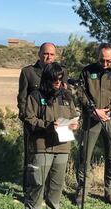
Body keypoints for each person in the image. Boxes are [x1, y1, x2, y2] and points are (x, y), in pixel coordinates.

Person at [24, 62, 78, 209]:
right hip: (41, 147)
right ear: (48, 78)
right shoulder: (35, 96)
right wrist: (47, 126)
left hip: (62, 147)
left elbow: (72, 116)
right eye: (55, 78)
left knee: (56, 186)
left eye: (61, 78)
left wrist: (75, 124)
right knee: (37, 185)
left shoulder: (67, 96)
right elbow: (29, 119)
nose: (58, 82)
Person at [75, 43, 111, 206]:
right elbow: (80, 92)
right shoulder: (87, 71)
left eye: (108, 61)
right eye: (101, 60)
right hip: (91, 119)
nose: (105, 63)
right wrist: (93, 110)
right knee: (85, 155)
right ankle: (82, 191)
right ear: (97, 56)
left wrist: (109, 112)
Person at [17, 42, 67, 193]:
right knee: (31, 157)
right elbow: (22, 98)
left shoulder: (62, 71)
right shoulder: (28, 72)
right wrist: (26, 119)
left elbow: (64, 96)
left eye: (52, 54)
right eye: (46, 53)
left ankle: (48, 191)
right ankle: (28, 190)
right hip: (34, 123)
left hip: (55, 123)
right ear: (39, 54)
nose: (49, 57)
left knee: (53, 158)